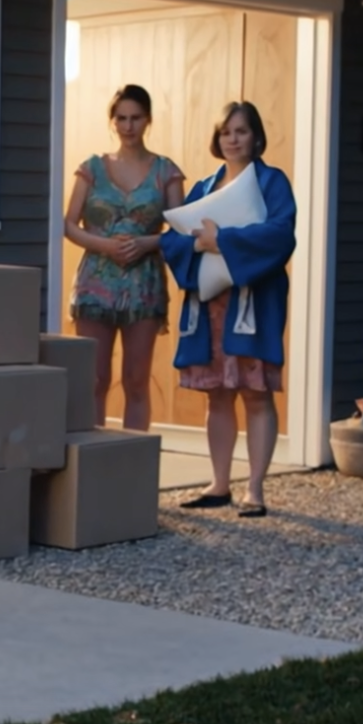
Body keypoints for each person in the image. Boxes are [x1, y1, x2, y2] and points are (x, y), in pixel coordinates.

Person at [161, 101, 296, 518]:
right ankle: (219, 484)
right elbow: (174, 237)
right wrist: (198, 243)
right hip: (209, 308)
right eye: (226, 132)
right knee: (217, 394)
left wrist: (223, 241)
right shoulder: (204, 187)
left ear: (256, 137)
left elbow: (280, 234)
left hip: (251, 305)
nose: (233, 140)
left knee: (255, 393)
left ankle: (254, 489)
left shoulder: (272, 182)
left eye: (241, 131)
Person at [63, 85, 184, 430]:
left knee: (136, 379)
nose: (128, 126)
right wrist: (104, 245)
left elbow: (182, 229)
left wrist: (147, 243)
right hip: (95, 285)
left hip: (143, 286)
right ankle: (91, 450)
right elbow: (68, 224)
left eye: (136, 118)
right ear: (112, 122)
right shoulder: (91, 168)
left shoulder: (166, 171)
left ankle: (134, 454)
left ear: (148, 120)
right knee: (94, 377)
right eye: (121, 118)